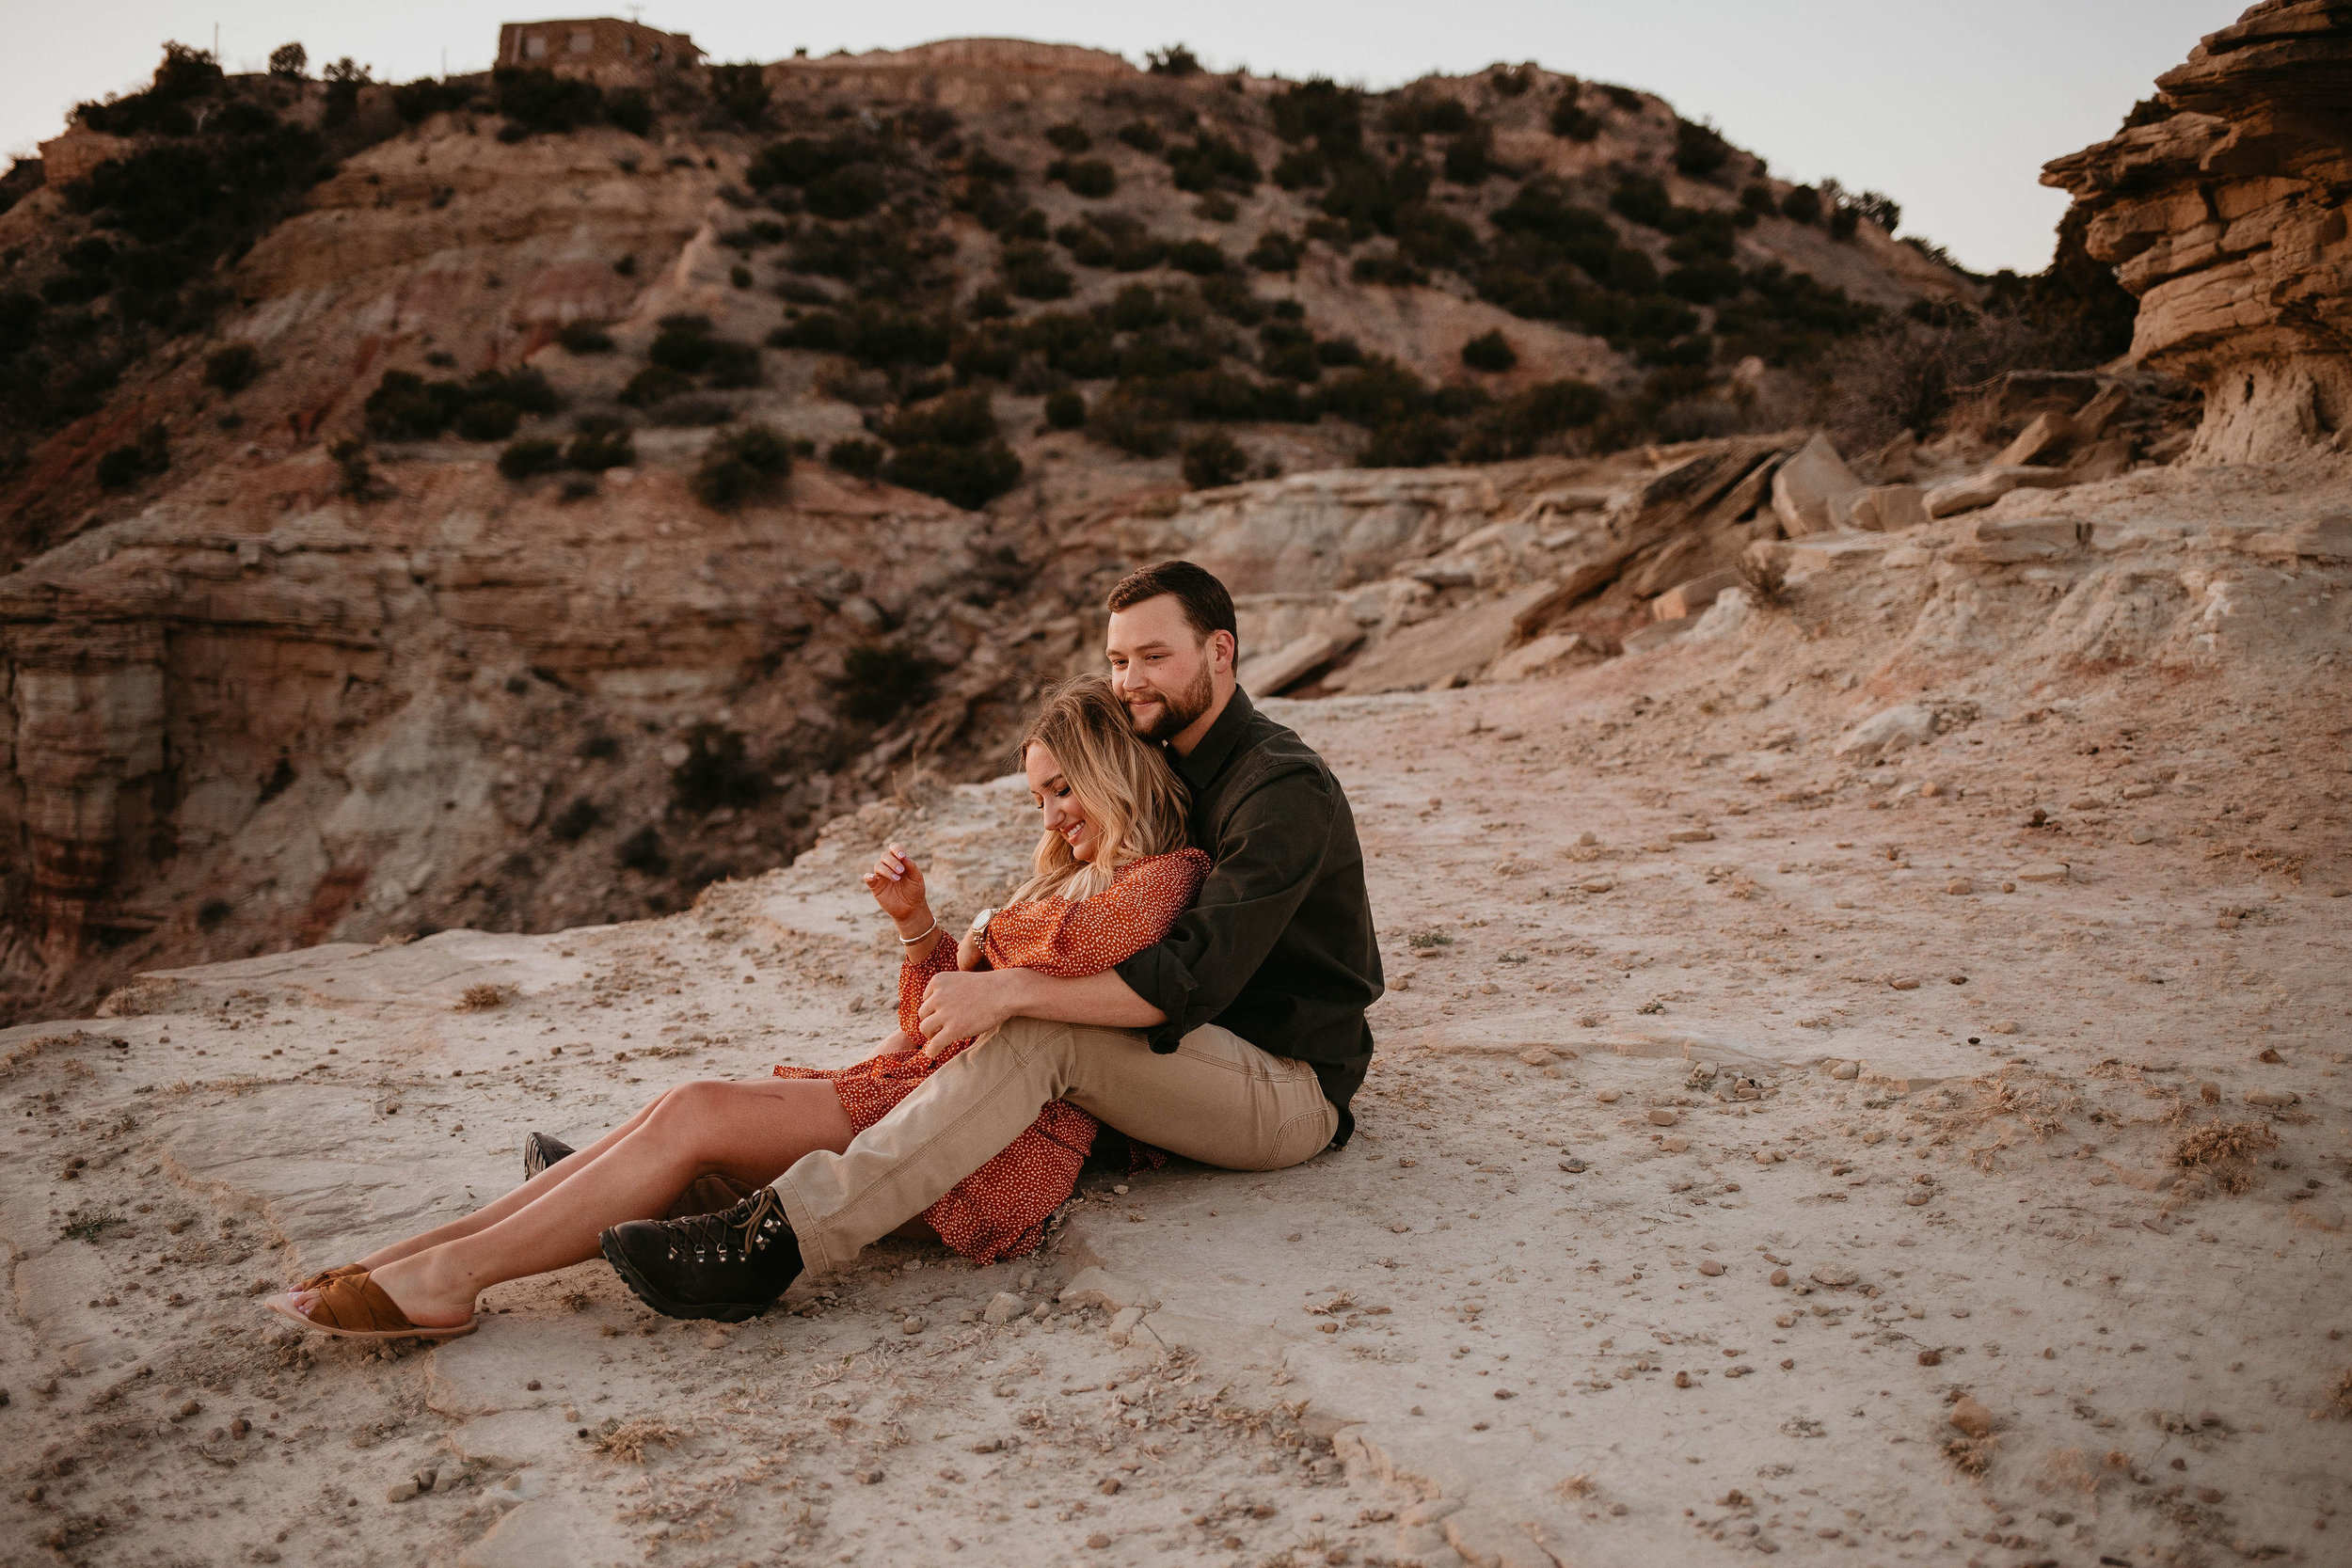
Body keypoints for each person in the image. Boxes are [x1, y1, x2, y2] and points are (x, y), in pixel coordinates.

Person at [262, 678, 1211, 1338]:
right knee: (676, 1110)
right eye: (1040, 793)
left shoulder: (1163, 876)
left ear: (1114, 769)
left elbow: (1030, 985)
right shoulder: (1082, 881)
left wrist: (984, 942)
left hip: (986, 1142)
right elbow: (946, 1013)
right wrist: (924, 930)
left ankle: (447, 1279)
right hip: (927, 1092)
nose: (1049, 813)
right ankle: (413, 1254)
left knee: (696, 1112)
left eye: (1062, 787)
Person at [597, 560, 1383, 1323]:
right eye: (1117, 659)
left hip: (1285, 1085)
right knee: (1001, 1029)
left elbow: (1186, 979)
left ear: (1220, 651)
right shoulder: (1157, 761)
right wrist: (940, 939)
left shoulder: (1278, 787)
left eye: (1153, 656)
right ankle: (654, 1190)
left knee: (1044, 1026)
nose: (1130, 679)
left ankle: (783, 1236)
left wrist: (1005, 983)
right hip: (1175, 1065)